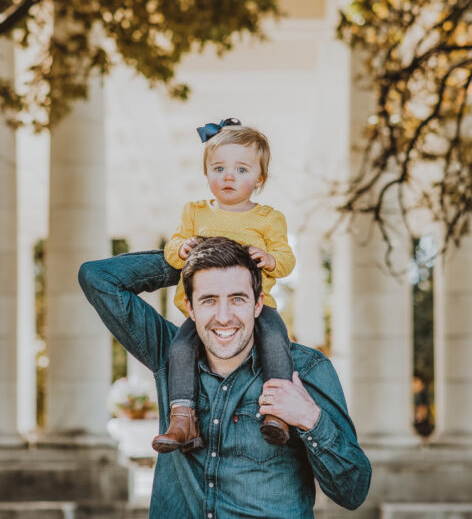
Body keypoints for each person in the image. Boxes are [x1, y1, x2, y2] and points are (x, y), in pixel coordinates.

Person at [79, 236, 371, 517]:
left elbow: (352, 491)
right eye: (208, 300)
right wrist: (184, 260)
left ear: (258, 304)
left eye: (237, 299)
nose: (223, 316)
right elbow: (97, 278)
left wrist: (311, 419)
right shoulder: (168, 354)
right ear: (190, 307)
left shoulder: (306, 370)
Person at [155, 119, 296, 453]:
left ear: (260, 178)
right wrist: (183, 249)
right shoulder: (194, 212)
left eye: (241, 169)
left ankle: (277, 411)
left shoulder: (268, 218)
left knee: (276, 339)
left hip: (257, 306)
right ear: (206, 174)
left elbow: (286, 259)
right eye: (218, 168)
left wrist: (270, 259)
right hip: (204, 311)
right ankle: (183, 418)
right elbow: (172, 249)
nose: (228, 177)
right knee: (180, 348)